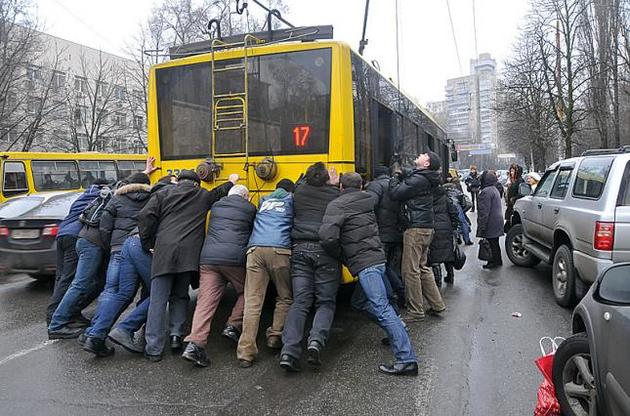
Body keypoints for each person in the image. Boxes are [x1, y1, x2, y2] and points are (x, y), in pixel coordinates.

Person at [319, 172, 418, 376]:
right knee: (360, 303)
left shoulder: (337, 205)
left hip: (365, 264)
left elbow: (327, 238)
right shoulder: (367, 201)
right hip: (377, 259)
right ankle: (396, 328)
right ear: (362, 186)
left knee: (381, 307)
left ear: (341, 188)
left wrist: (342, 256)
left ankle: (406, 359)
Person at [139, 170, 238, 362]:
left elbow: (145, 216)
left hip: (164, 252)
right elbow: (217, 193)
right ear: (196, 184)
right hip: (189, 254)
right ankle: (176, 336)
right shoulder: (201, 195)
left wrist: (148, 243)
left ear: (178, 181)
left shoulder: (163, 194)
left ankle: (153, 348)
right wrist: (231, 182)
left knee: (158, 300)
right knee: (180, 295)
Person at [181, 184, 257, 368]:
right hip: (234, 259)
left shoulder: (216, 206)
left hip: (208, 259)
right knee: (249, 290)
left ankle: (195, 343)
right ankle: (233, 325)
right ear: (246, 197)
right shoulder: (250, 208)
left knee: (205, 302)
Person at [106, 175, 178, 354]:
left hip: (126, 243)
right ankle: (125, 329)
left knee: (121, 292)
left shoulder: (152, 194)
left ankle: (95, 333)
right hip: (140, 245)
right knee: (160, 292)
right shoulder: (166, 196)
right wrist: (149, 245)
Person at [82, 172, 152, 356]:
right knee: (156, 291)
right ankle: (128, 329)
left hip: (118, 250)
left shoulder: (116, 198)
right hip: (142, 249)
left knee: (116, 292)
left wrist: (111, 246)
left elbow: (104, 227)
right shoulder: (152, 197)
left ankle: (94, 334)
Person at [279, 162, 341, 372]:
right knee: (325, 302)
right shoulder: (334, 195)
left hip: (300, 249)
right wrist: (334, 183)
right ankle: (316, 340)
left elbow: (298, 184)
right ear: (326, 179)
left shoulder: (299, 191)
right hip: (325, 250)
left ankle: (289, 350)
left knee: (300, 301)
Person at [236, 179, 295, 368]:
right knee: (285, 297)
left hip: (254, 251)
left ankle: (245, 352)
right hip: (280, 251)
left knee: (253, 302)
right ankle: (275, 335)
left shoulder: (263, 200)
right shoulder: (292, 200)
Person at [47, 178, 111, 331]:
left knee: (62, 278)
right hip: (77, 236)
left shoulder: (82, 196)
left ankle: (66, 314)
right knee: (75, 281)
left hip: (62, 234)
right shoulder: (103, 196)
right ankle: (56, 318)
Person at [389, 152, 446, 322]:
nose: (420, 154)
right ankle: (437, 305)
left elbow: (395, 193)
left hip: (415, 229)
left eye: (423, 155)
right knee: (422, 267)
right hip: (425, 228)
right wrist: (402, 170)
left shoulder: (419, 180)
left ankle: (415, 310)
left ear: (426, 163)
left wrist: (395, 175)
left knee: (410, 271)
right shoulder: (426, 178)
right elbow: (411, 175)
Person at [365, 165, 405, 308]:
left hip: (382, 234)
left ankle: (392, 300)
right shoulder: (397, 185)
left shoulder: (375, 186)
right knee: (387, 266)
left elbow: (369, 205)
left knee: (380, 267)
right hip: (396, 233)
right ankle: (401, 292)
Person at [428, 183, 460, 287]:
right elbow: (454, 212)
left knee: (435, 255)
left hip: (433, 228)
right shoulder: (445, 198)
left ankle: (438, 280)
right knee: (447, 253)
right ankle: (450, 276)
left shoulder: (428, 199)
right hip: (446, 227)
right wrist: (454, 226)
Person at [477, 171, 504, 269]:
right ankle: (497, 260)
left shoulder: (485, 192)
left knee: (490, 243)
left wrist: (482, 225)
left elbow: (484, 211)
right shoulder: (494, 189)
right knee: (495, 243)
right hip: (497, 220)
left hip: (491, 222)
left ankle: (492, 261)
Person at [443, 179, 473, 246]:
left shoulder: (444, 192)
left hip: (448, 207)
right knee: (463, 222)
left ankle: (457, 238)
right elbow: (463, 200)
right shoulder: (456, 191)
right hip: (457, 206)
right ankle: (467, 240)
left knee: (452, 223)